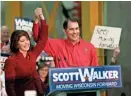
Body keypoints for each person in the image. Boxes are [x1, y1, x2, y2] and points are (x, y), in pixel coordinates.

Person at [33, 8, 99, 68]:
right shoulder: (57, 45)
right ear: (65, 31)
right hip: (63, 81)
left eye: (77, 29)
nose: (75, 32)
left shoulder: (90, 47)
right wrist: (38, 19)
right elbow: (39, 39)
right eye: (71, 29)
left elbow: (96, 71)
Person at [4, 8, 48, 96]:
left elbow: (43, 40)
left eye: (27, 40)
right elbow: (9, 87)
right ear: (16, 44)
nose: (27, 42)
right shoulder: (11, 61)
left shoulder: (32, 54)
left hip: (39, 93)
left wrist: (41, 18)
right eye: (22, 41)